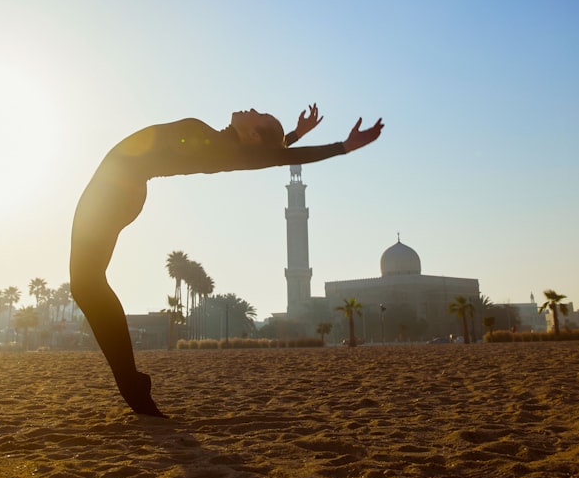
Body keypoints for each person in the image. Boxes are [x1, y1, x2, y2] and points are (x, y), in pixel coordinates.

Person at [70, 104, 383, 416]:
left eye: (259, 115)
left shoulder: (221, 149)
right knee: (87, 285)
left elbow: (277, 157)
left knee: (87, 284)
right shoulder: (224, 144)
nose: (252, 108)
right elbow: (269, 153)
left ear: (251, 134)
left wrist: (343, 147)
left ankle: (133, 387)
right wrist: (295, 134)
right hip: (114, 188)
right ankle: (133, 386)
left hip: (112, 192)